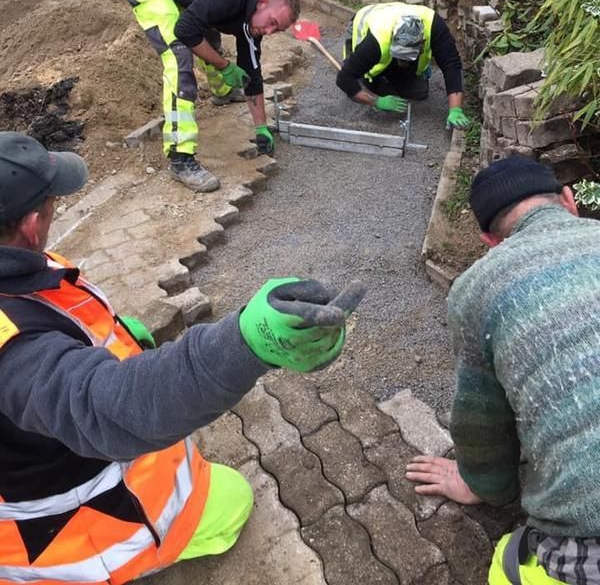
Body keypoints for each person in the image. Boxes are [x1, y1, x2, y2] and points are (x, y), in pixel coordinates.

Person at [0, 131, 365, 584]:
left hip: (33, 454)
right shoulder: (11, 350)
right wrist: (244, 343)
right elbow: (108, 407)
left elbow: (56, 328)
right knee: (232, 500)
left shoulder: (18, 268)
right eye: (54, 201)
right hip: (63, 530)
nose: (58, 207)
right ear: (33, 223)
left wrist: (115, 336)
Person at [405, 155, 600, 585]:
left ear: (489, 240)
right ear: (570, 201)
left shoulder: (477, 288)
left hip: (587, 547)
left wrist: (482, 484)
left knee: (506, 566)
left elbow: (481, 420)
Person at [119, 0, 301, 192]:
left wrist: (262, 127)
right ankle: (180, 157)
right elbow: (185, 31)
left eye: (276, 29)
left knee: (208, 36)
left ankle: (223, 92)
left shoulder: (253, 20)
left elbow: (252, 72)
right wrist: (225, 66)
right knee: (179, 53)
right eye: (271, 22)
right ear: (262, 3)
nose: (269, 31)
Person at [336, 2, 470, 129]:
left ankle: (390, 77)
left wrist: (455, 109)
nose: (403, 61)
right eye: (401, 56)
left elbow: (452, 65)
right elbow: (344, 79)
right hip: (364, 23)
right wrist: (376, 101)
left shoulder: (435, 26)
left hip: (395, 17)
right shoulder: (376, 42)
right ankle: (375, 79)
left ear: (422, 43)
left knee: (418, 92)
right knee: (359, 87)